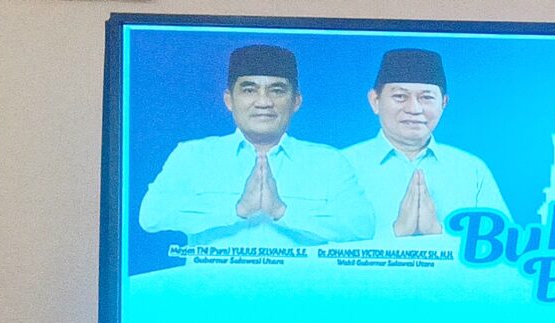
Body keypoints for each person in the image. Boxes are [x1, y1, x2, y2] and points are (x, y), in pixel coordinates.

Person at [137, 43, 375, 248]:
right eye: (249, 90)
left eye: (277, 90)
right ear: (229, 100)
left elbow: (362, 226)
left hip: (300, 289)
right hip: (212, 289)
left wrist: (282, 212)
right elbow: (151, 217)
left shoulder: (328, 162)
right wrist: (236, 209)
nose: (263, 102)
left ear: (296, 102)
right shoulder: (192, 155)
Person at [341, 47, 508, 245]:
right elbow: (318, 250)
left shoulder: (472, 170)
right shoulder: (340, 166)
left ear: (443, 103)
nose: (414, 109)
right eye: (400, 97)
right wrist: (395, 233)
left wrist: (437, 233)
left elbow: (502, 250)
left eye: (426, 98)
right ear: (375, 101)